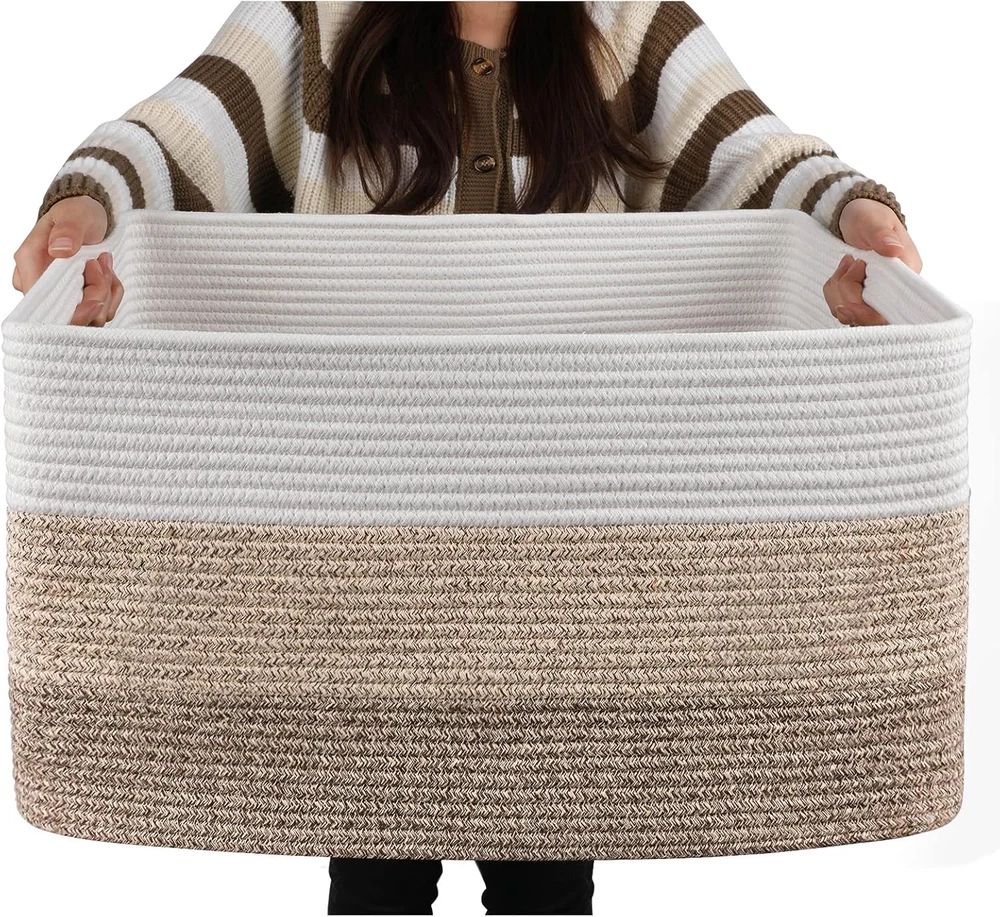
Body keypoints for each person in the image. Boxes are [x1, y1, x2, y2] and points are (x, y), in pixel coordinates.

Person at [9, 2, 924, 913]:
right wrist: (88, 204)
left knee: (549, 875)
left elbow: (754, 157)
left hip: (565, 553)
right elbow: (177, 138)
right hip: (364, 558)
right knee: (375, 874)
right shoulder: (316, 22)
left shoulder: (629, 24)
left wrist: (855, 211)